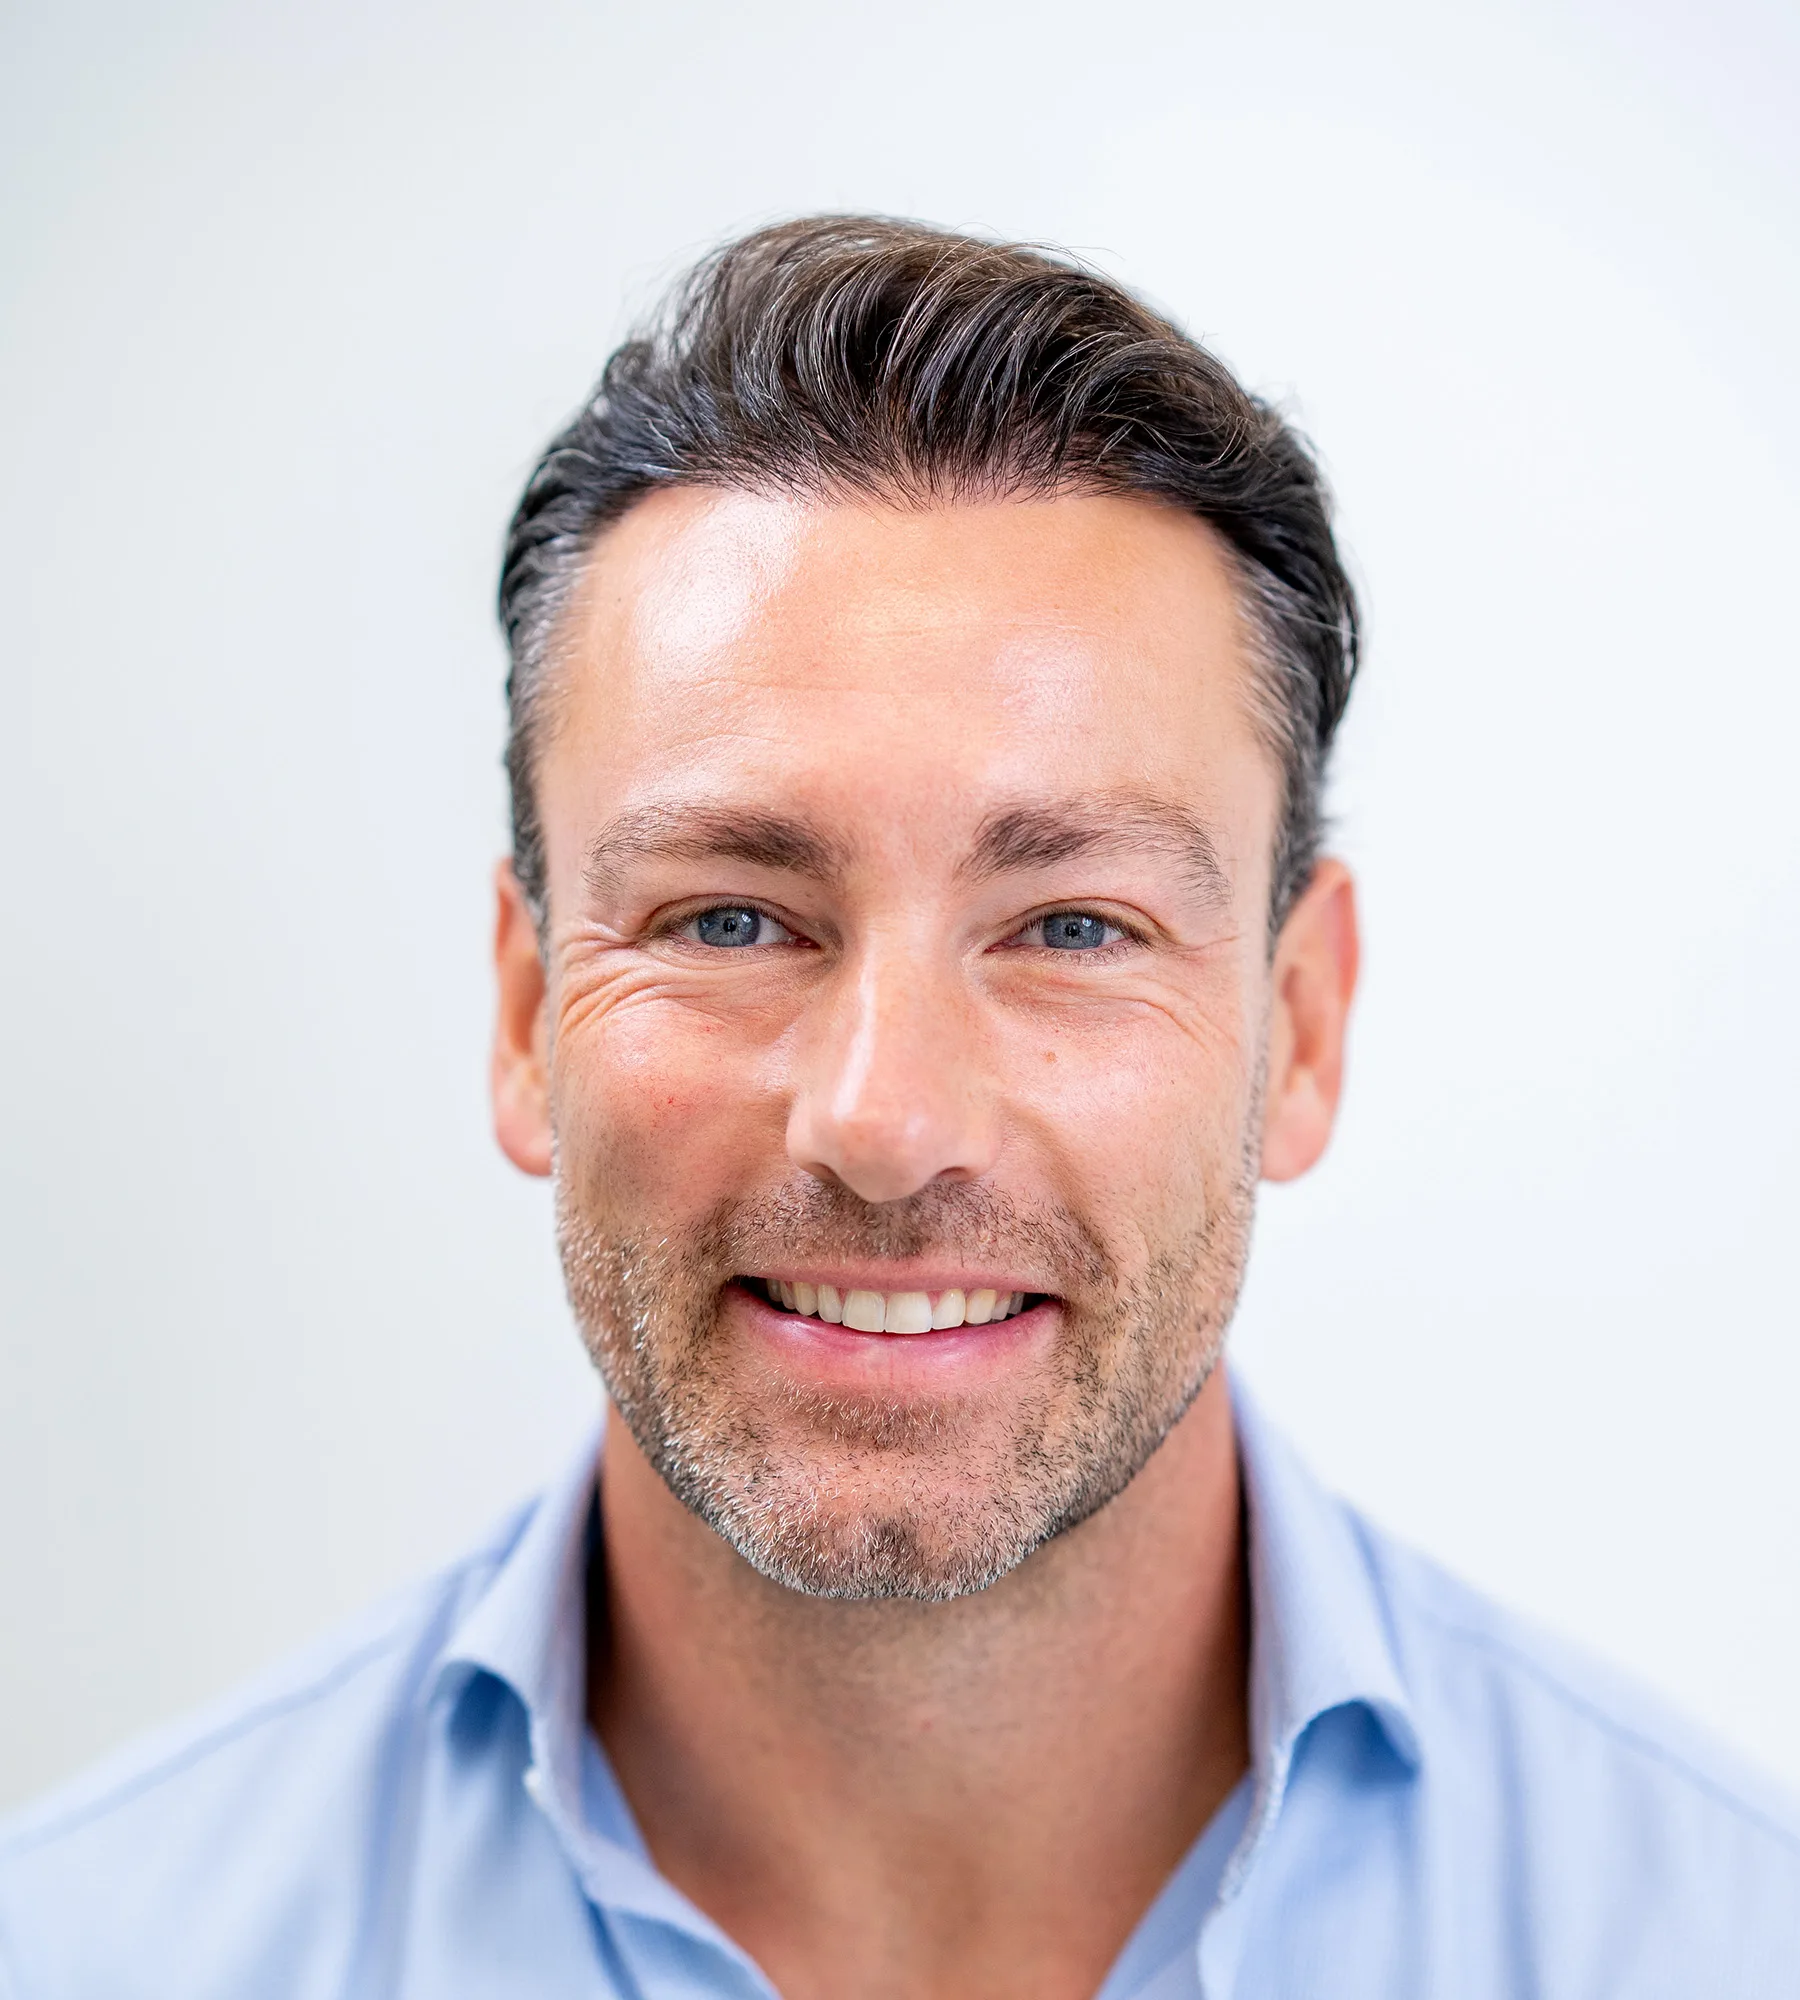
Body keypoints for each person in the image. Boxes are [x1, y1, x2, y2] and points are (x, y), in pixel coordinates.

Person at [2, 215, 1795, 2000]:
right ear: (530, 1011)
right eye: (729, 919)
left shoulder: (1723, 1945)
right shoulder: (97, 1953)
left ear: (1299, 1029)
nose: (883, 1119)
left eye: (1073, 925)